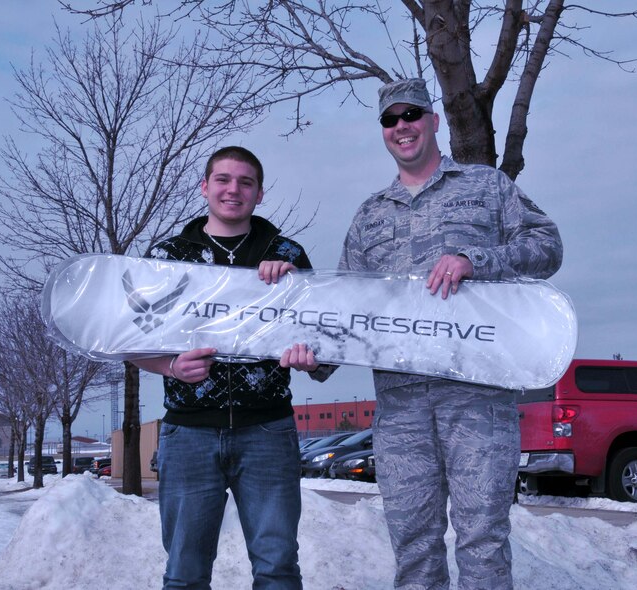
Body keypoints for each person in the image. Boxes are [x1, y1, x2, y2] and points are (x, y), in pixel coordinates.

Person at [309, 79, 564, 590]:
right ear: (383, 132)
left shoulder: (485, 186)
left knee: (482, 540)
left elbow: (548, 245)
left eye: (411, 115)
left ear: (433, 120)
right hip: (401, 408)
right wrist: (309, 356)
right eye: (390, 119)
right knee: (414, 545)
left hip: (479, 401)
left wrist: (478, 259)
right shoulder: (369, 217)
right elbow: (347, 306)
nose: (401, 126)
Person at [133, 146, 312, 589]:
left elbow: (322, 341)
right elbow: (129, 343)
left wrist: (295, 296)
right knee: (185, 573)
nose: (234, 190)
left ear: (260, 193)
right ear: (205, 187)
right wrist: (171, 366)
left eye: (245, 182)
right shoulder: (168, 255)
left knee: (277, 569)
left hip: (268, 431)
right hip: (188, 434)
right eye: (224, 180)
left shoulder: (286, 253)